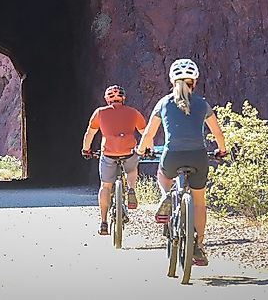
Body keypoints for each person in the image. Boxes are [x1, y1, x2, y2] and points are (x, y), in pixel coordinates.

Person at [136, 58, 228, 266]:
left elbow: (149, 133)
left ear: (171, 80)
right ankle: (199, 246)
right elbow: (218, 133)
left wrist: (141, 150)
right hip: (198, 156)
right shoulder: (202, 104)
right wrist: (222, 150)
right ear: (194, 82)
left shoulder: (163, 103)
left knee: (163, 174)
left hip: (172, 155)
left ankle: (166, 195)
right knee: (199, 202)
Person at [81, 85, 148, 236]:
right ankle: (131, 189)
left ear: (107, 99)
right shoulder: (133, 113)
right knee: (131, 169)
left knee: (105, 186)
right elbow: (146, 134)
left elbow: (89, 134)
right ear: (123, 98)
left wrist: (86, 150)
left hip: (109, 153)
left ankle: (103, 222)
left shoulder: (100, 113)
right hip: (128, 151)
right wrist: (149, 149)